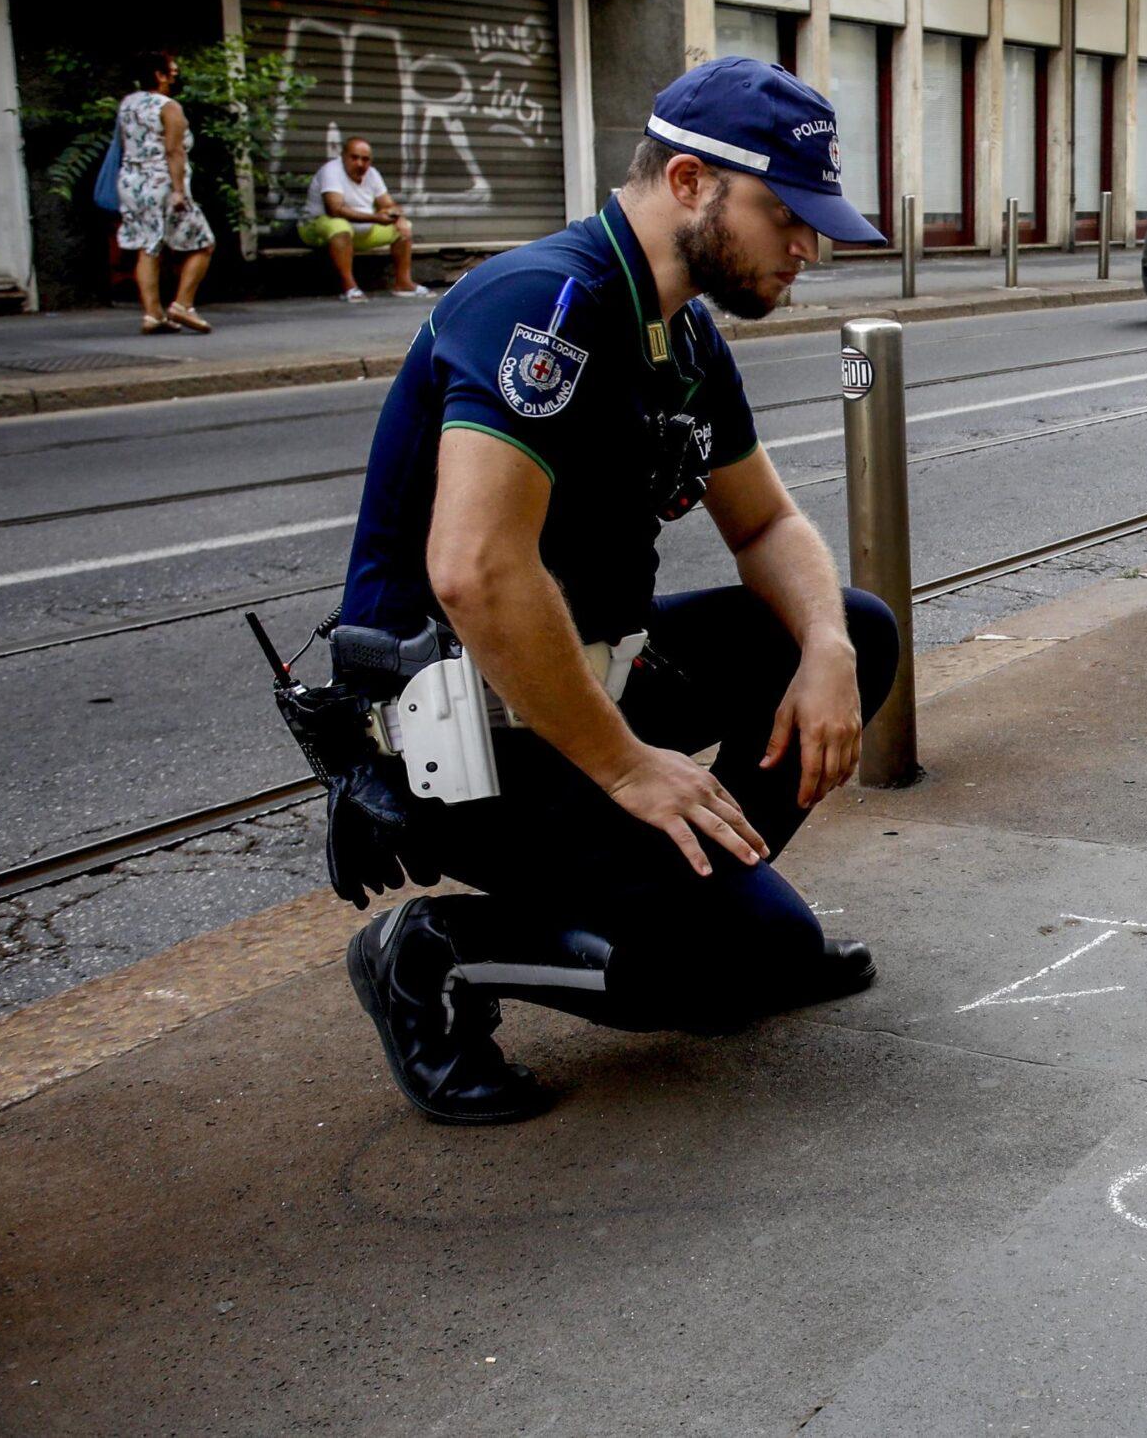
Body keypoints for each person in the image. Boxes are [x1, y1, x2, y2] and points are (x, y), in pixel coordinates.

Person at [327, 58, 899, 1125]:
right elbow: (475, 570)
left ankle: (699, 901)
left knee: (858, 630)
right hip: (468, 732)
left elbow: (767, 522)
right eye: (786, 216)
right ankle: (438, 958)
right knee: (720, 977)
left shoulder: (681, 334)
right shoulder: (542, 307)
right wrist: (629, 766)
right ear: (688, 183)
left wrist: (823, 647)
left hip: (597, 682)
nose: (807, 250)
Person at [114, 51, 214, 335]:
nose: (175, 74)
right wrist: (179, 191)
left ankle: (153, 315)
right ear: (158, 75)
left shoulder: (128, 104)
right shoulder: (168, 107)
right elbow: (174, 150)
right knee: (204, 243)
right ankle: (183, 304)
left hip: (132, 182)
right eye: (172, 70)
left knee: (148, 246)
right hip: (163, 182)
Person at [304, 137, 435, 303]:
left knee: (403, 228)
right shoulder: (331, 171)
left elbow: (387, 203)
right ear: (343, 156)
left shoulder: (372, 174)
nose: (360, 163)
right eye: (354, 157)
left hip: (359, 231)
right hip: (317, 228)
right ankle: (349, 287)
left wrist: (397, 217)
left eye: (365, 159)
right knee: (339, 227)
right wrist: (376, 217)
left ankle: (403, 283)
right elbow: (334, 209)